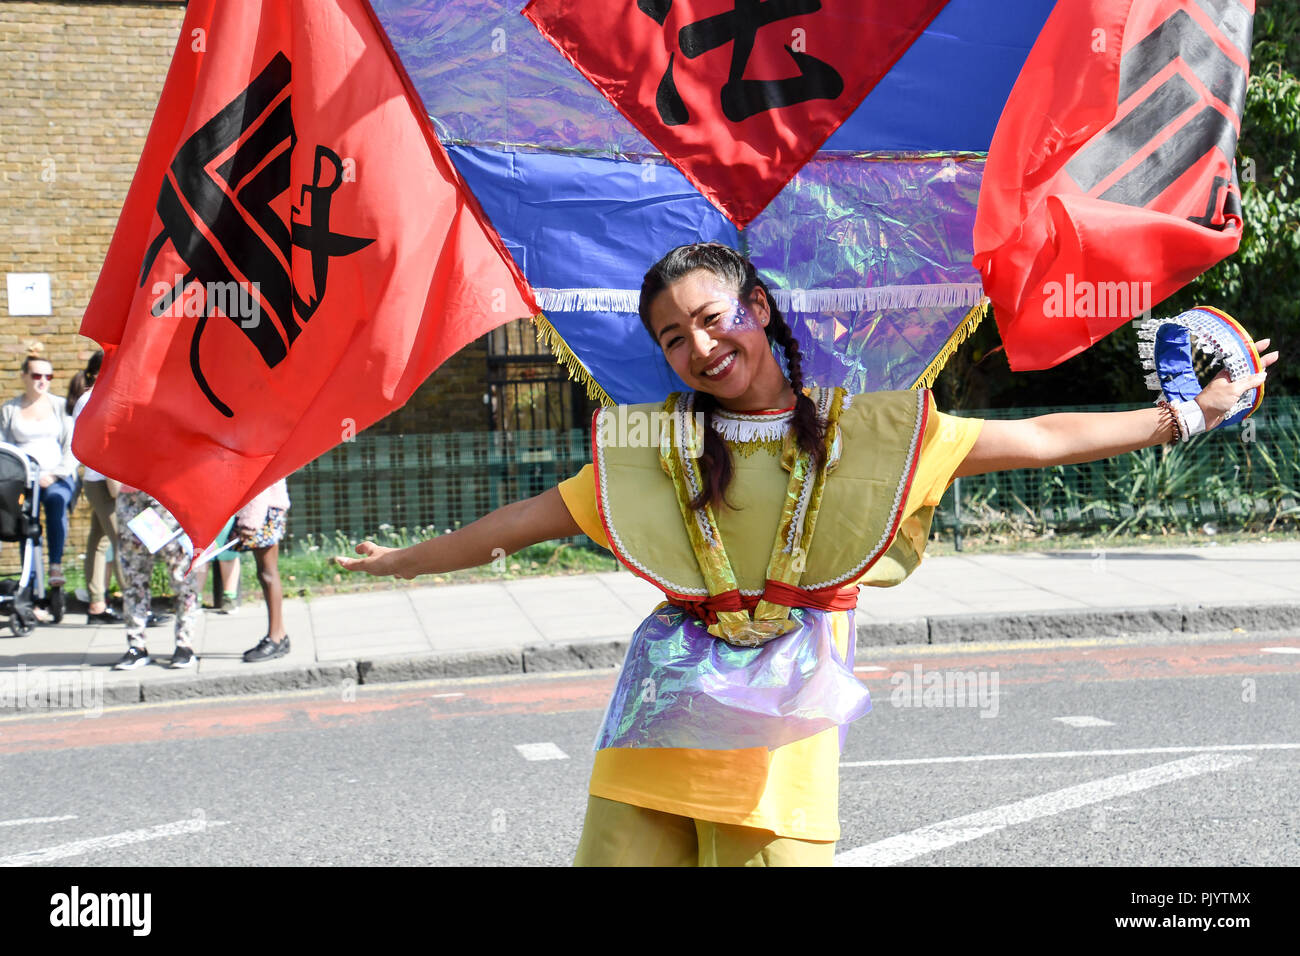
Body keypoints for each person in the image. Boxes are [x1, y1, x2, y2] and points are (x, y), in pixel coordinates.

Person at [335, 243, 1279, 867]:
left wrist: (1186, 412)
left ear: (758, 306)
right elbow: (525, 520)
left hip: (784, 724)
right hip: (657, 715)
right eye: (673, 337)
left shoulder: (870, 431)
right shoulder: (655, 448)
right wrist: (405, 562)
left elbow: (1036, 437)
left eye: (713, 318)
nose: (700, 346)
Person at [0, 344, 77, 596]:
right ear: (24, 376)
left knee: (56, 502)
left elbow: (72, 446)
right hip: (23, 480)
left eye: (48, 376)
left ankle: (55, 565)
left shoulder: (60, 406)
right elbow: (4, 448)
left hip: (56, 476)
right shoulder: (10, 409)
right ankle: (29, 581)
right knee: (25, 523)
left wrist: (54, 474)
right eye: (36, 375)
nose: (43, 381)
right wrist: (18, 477)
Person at [111, 486, 202, 669]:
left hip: (166, 498)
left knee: (181, 574)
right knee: (134, 577)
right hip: (131, 499)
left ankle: (184, 644)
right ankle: (136, 646)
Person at [67, 350, 125, 623]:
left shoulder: (93, 398)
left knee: (98, 541)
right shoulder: (94, 399)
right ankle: (134, 604)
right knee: (121, 542)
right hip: (105, 480)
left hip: (100, 479)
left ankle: (97, 604)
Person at [234, 478, 291, 662]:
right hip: (263, 510)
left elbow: (261, 481)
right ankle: (279, 636)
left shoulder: (258, 447)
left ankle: (275, 638)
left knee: (268, 574)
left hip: (263, 511)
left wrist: (250, 522)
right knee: (265, 573)